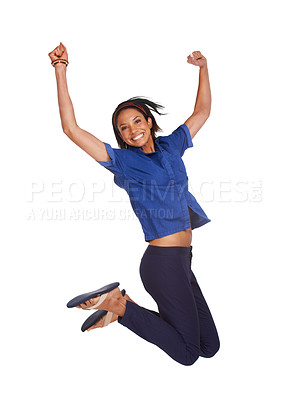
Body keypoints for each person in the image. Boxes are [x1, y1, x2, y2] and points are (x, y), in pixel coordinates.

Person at [48, 42, 220, 366]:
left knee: (208, 346)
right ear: (121, 136)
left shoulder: (172, 147)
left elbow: (203, 112)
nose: (132, 130)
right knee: (188, 354)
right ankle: (120, 305)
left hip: (182, 259)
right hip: (162, 264)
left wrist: (204, 67)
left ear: (149, 121)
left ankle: (116, 313)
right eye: (123, 128)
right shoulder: (123, 162)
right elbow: (71, 129)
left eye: (137, 121)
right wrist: (60, 70)